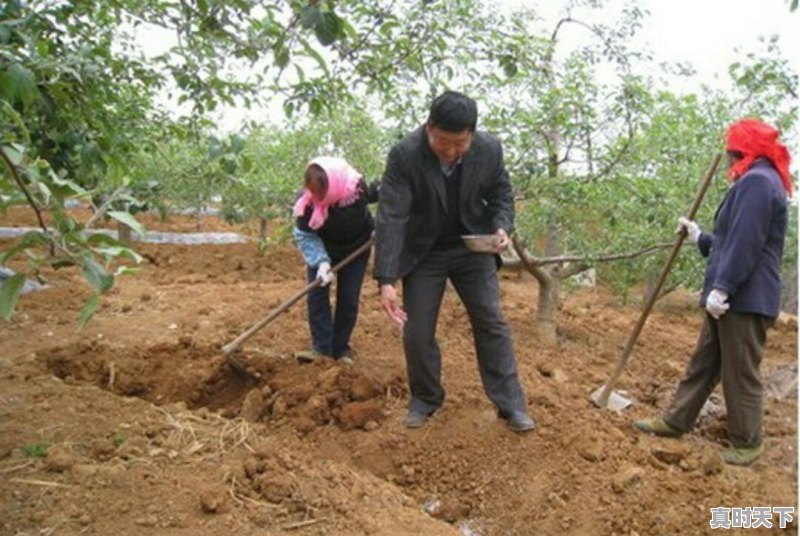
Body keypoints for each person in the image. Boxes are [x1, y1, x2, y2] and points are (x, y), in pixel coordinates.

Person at [373, 90, 535, 432]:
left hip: (472, 248)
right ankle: (425, 398)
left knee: (492, 321)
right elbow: (392, 216)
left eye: (459, 144)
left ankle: (511, 405)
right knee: (417, 330)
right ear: (429, 127)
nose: (450, 151)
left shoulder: (489, 150)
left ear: (472, 135)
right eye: (443, 142)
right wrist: (386, 279)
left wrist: (502, 226)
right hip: (424, 251)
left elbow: (501, 194)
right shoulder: (405, 155)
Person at [634, 118, 792, 466]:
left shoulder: (757, 183)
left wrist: (723, 288)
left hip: (743, 299)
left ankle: (748, 442)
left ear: (742, 149)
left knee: (740, 371)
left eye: (730, 151)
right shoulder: (757, 181)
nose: (727, 158)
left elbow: (746, 243)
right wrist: (700, 237)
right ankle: (676, 420)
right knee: (705, 363)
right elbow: (731, 240)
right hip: (732, 298)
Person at [292, 156, 378, 364]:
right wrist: (321, 261)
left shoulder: (356, 188)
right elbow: (305, 234)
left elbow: (385, 195)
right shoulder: (306, 203)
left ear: (333, 184)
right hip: (323, 248)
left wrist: (380, 227)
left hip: (357, 247)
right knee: (317, 296)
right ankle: (321, 348)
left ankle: (341, 348)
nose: (317, 197)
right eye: (312, 191)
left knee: (348, 298)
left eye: (321, 192)